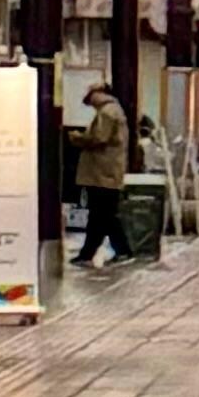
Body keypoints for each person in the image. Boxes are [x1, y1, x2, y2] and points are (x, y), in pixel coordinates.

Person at [69, 82, 130, 268]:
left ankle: (95, 253)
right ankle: (117, 251)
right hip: (107, 172)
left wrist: (77, 138)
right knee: (105, 215)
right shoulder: (113, 110)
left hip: (103, 173)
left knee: (101, 215)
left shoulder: (107, 112)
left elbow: (99, 138)